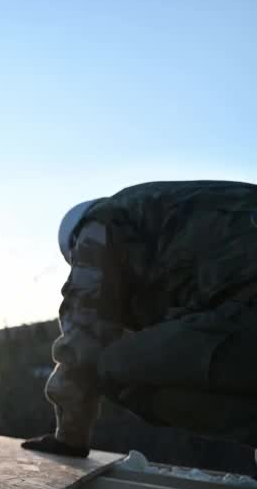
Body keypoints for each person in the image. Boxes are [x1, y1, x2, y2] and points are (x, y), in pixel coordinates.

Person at [22, 180, 257, 459]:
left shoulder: (98, 225)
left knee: (113, 366)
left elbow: (83, 336)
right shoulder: (166, 213)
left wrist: (70, 437)